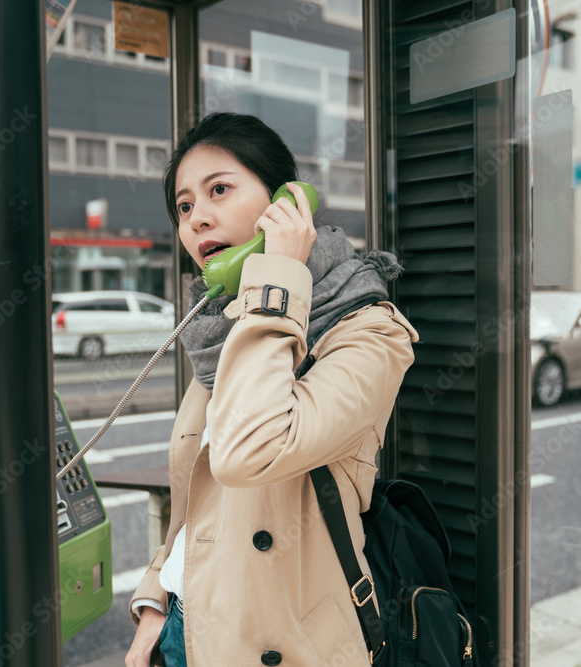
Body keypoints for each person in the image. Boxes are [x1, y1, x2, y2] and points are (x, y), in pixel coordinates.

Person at [125, 112, 419, 667]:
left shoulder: (370, 330)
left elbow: (251, 452)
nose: (197, 219)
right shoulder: (225, 329)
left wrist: (278, 278)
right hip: (188, 629)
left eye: (219, 189)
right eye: (185, 206)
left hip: (281, 641)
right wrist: (156, 601)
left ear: (288, 202)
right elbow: (198, 502)